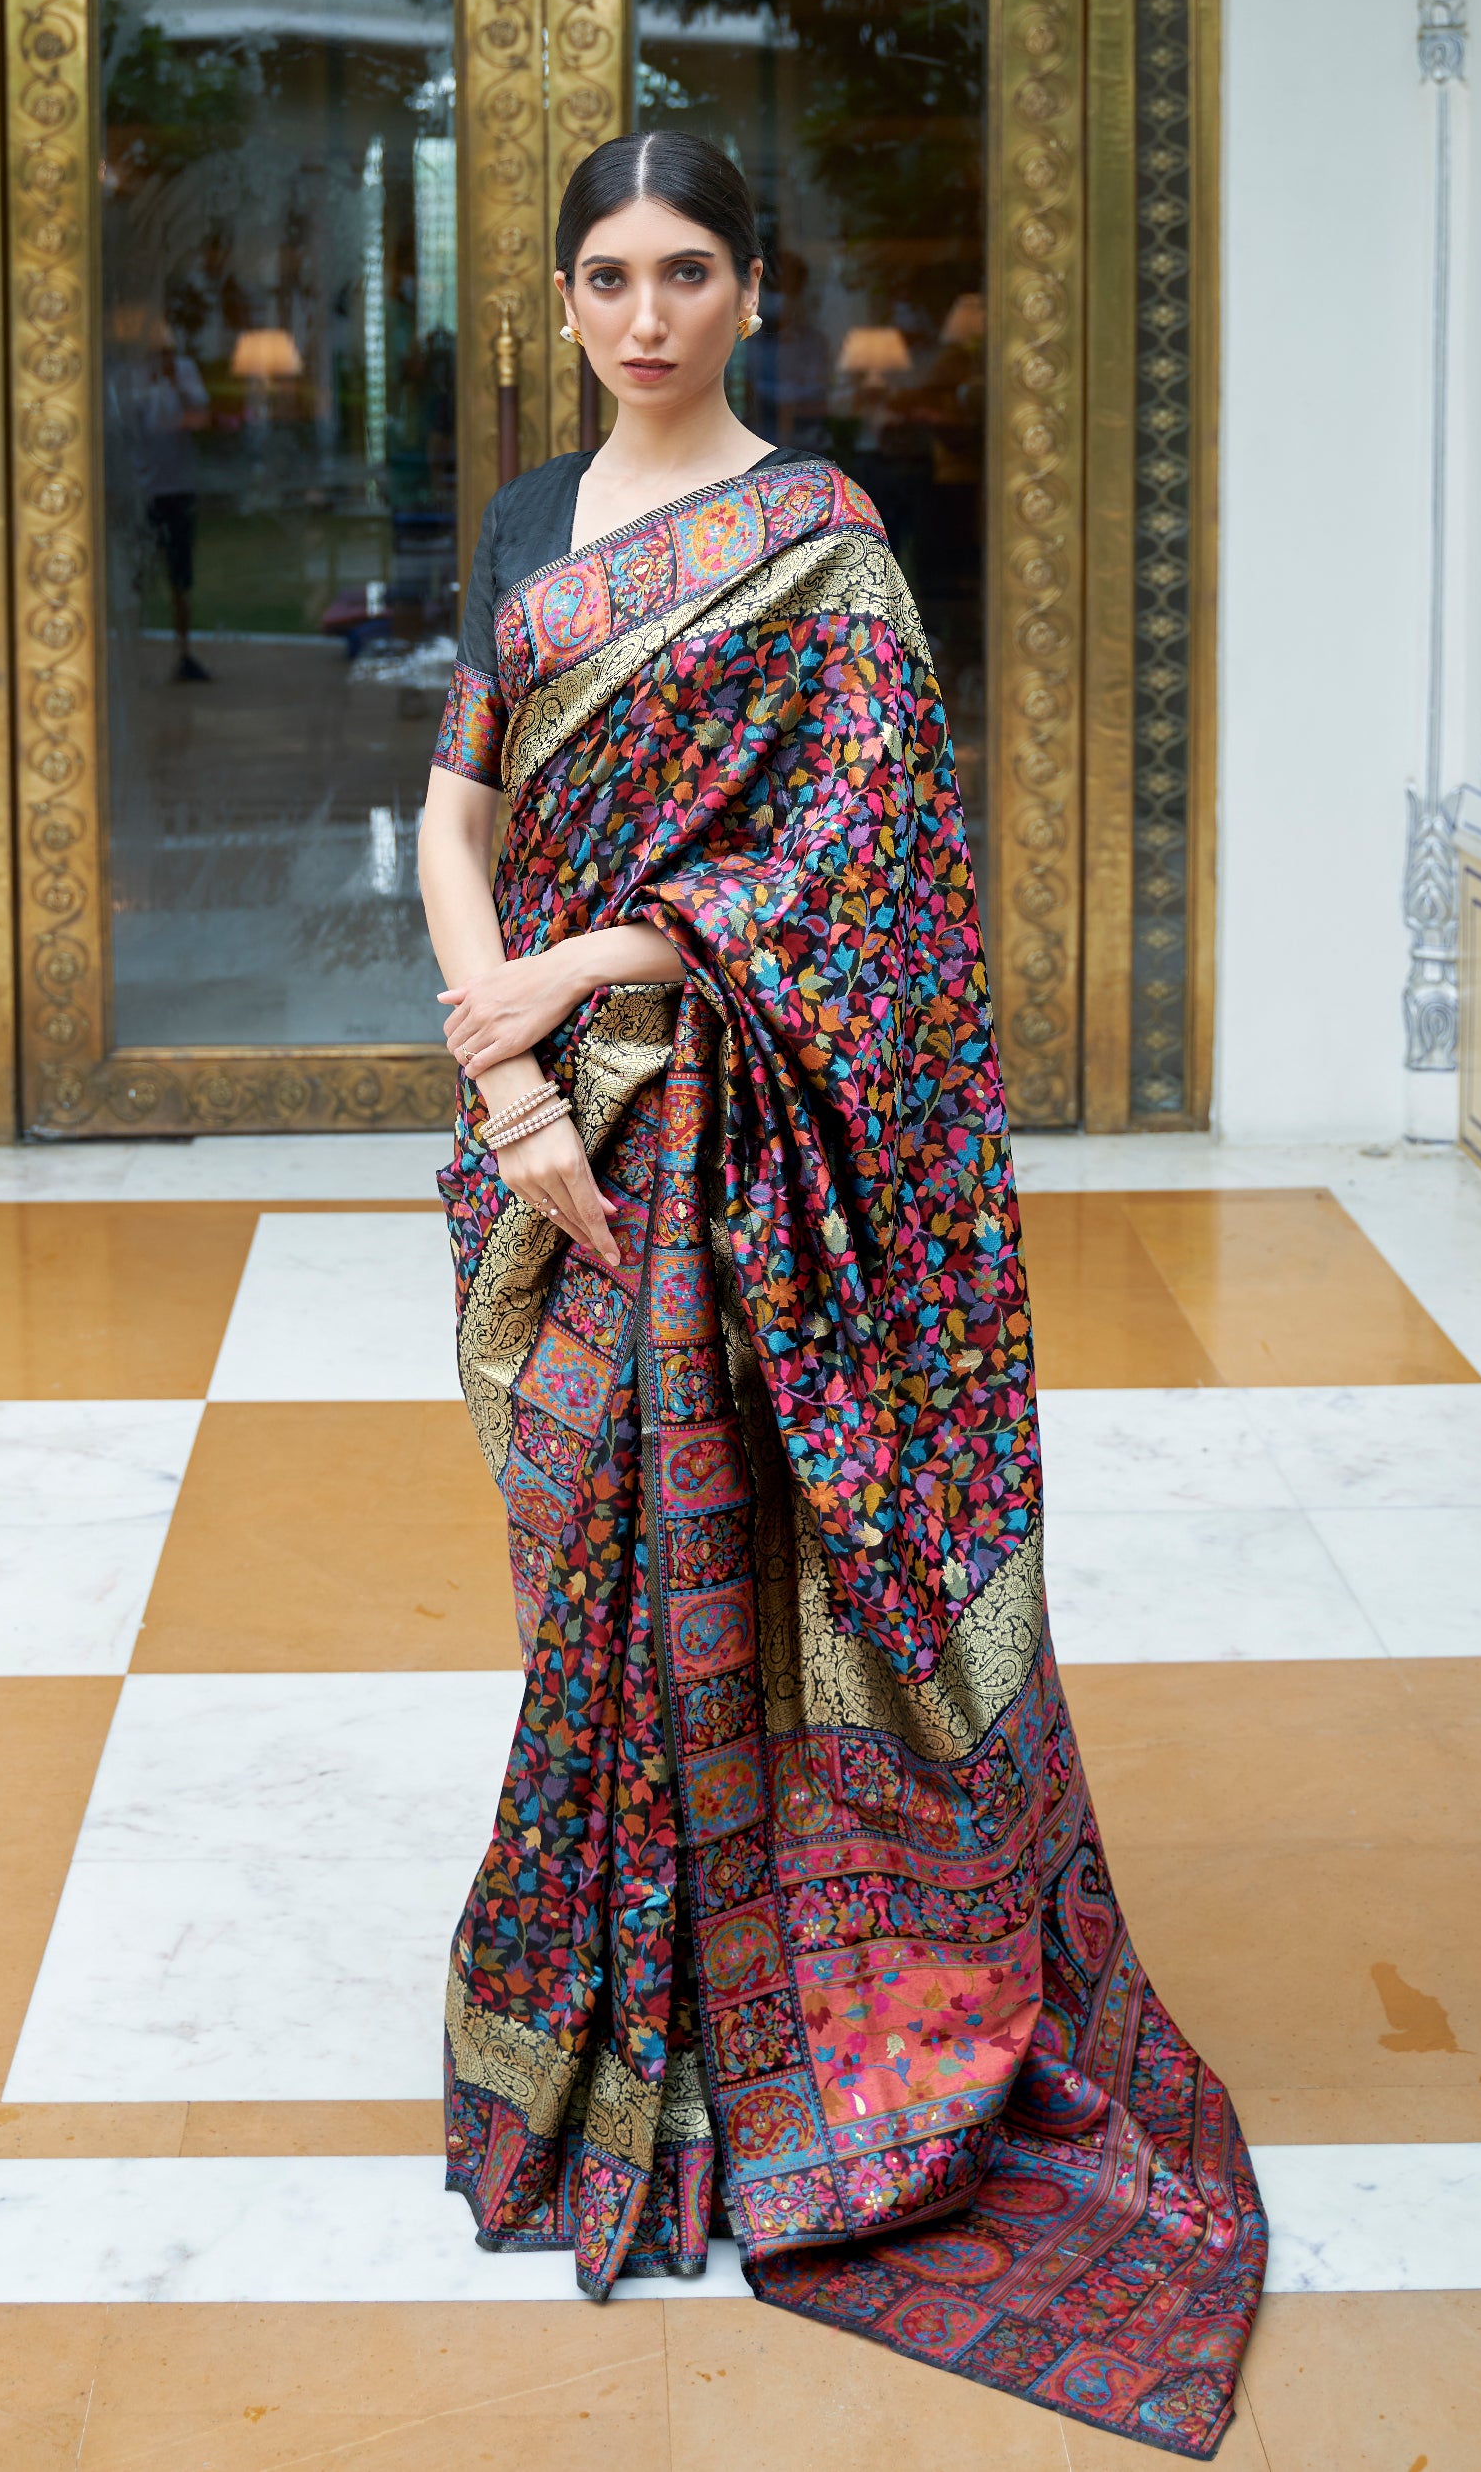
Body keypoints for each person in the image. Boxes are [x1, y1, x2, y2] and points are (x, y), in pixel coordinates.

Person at [415, 130, 1264, 2457]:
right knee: (589, 1565)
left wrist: (614, 952)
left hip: (742, 1144)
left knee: (768, 1562)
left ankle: (802, 2040)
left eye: (688, 268)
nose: (648, 310)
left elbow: (876, 876)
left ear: (753, 286)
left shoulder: (827, 544)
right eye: (608, 271)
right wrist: (507, 1069)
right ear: (565, 291)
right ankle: (617, 2020)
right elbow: (448, 809)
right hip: (553, 1153)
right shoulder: (523, 528)